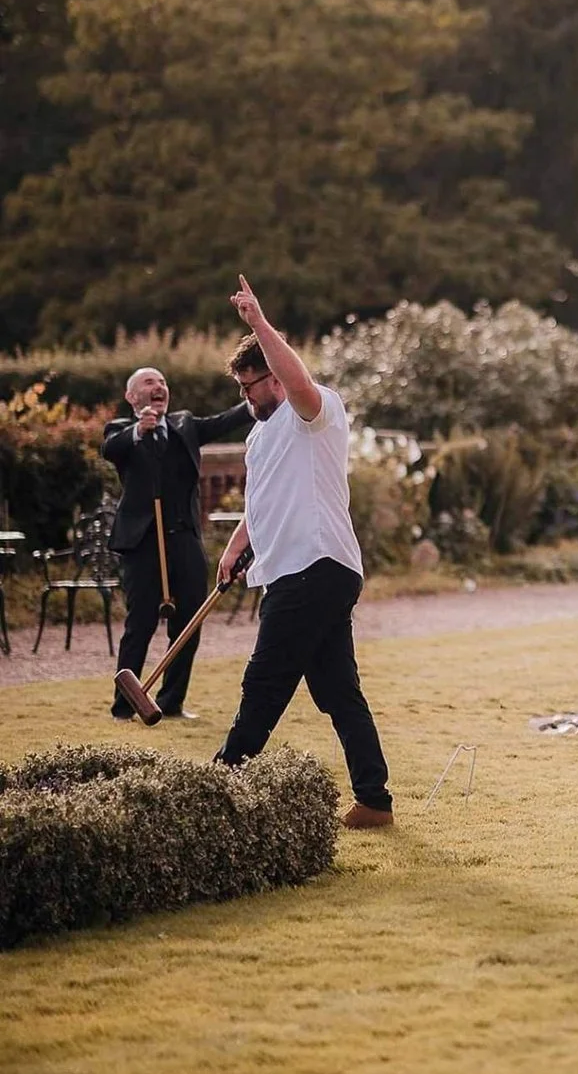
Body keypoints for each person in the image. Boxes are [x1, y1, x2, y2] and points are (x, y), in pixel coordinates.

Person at [213, 275, 394, 830]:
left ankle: (219, 785)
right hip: (293, 569)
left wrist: (259, 324)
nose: (248, 398)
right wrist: (238, 546)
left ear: (275, 373)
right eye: (242, 389)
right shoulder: (260, 435)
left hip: (314, 566)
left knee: (265, 680)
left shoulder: (313, 411)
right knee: (337, 690)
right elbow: (265, 499)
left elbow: (298, 382)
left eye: (254, 386)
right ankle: (374, 801)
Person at [102, 368, 251, 720]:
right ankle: (124, 704)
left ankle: (171, 702)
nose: (159, 387)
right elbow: (111, 448)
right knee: (140, 623)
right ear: (132, 396)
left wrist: (264, 390)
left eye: (163, 382)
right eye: (149, 383)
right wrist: (139, 430)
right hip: (142, 543)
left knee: (189, 621)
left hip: (184, 538)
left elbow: (226, 420)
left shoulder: (184, 423)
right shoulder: (120, 430)